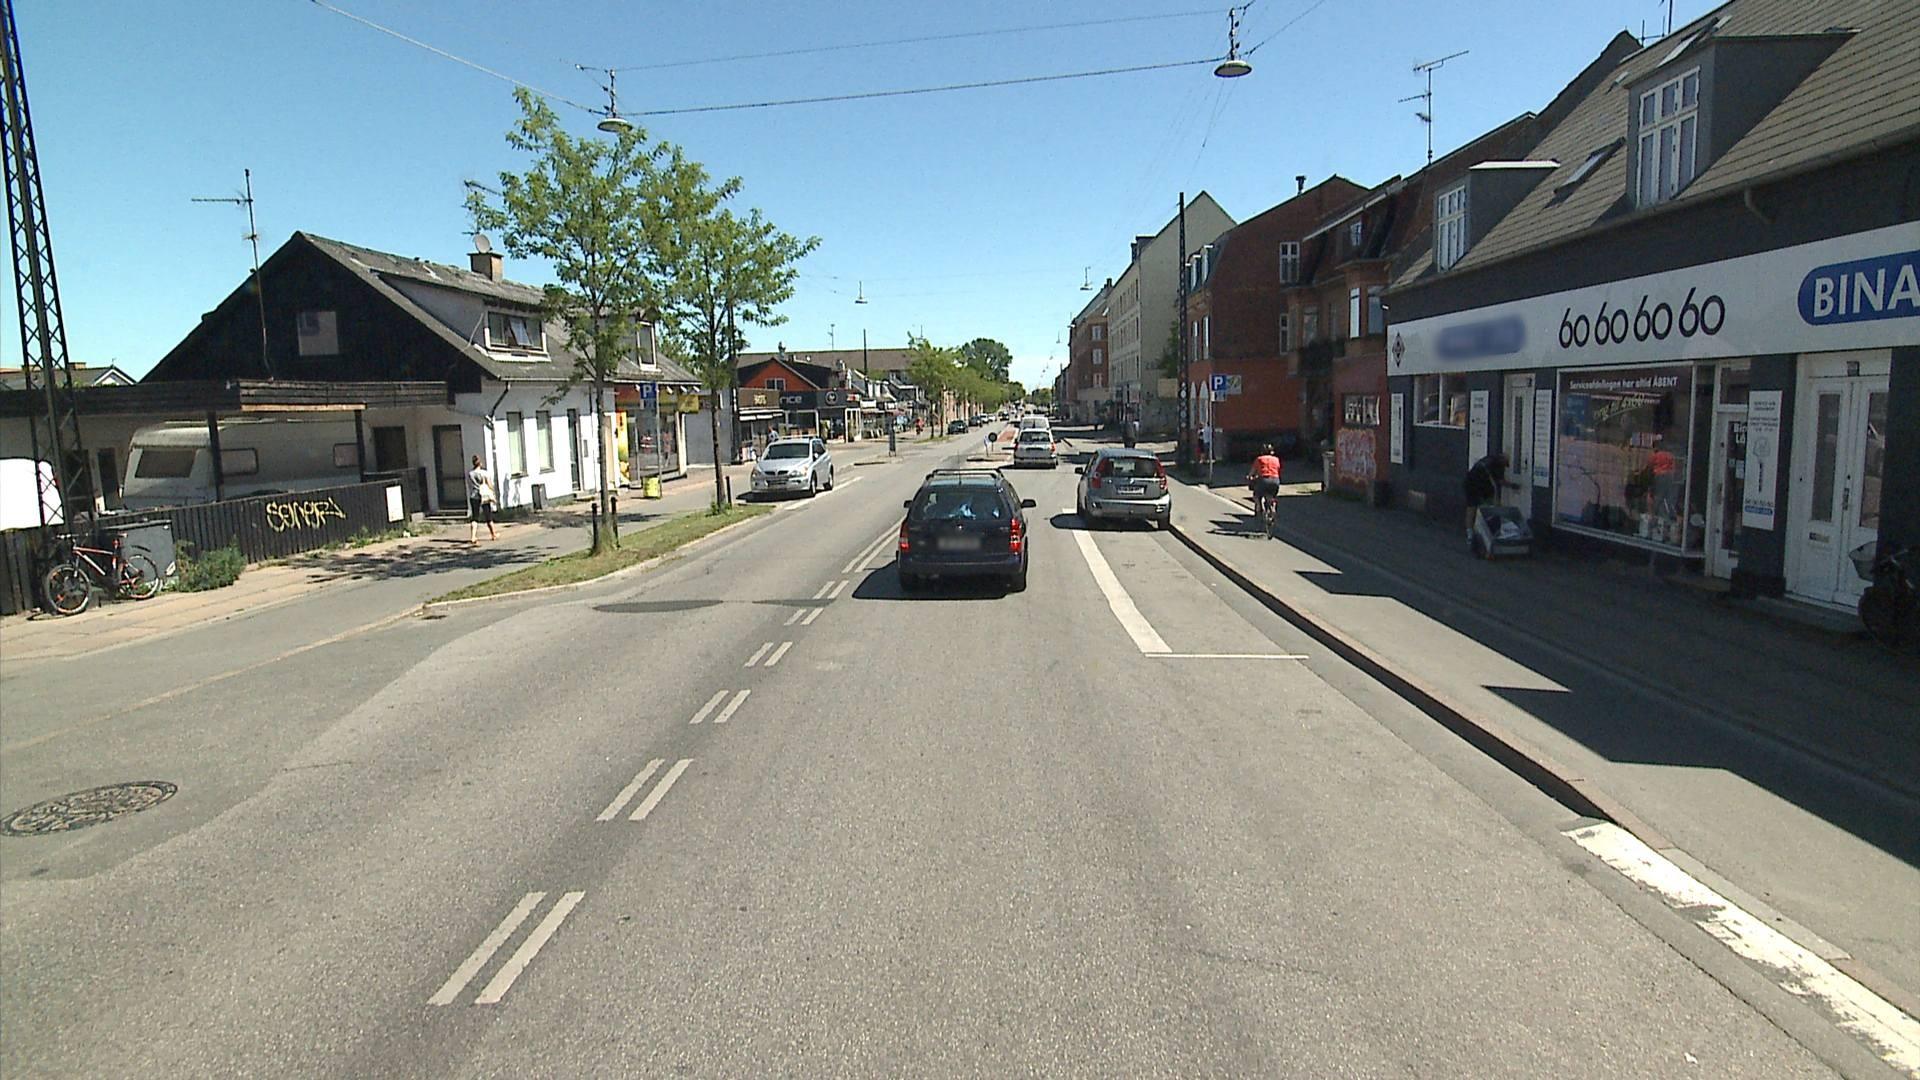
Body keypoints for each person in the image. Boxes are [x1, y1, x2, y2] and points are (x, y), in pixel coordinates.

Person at [1463, 452, 1518, 537]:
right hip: (1480, 486)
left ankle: (1469, 533)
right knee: (1490, 507)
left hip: (1469, 483)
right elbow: (1499, 482)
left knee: (1471, 508)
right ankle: (1492, 530)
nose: (1505, 467)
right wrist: (1513, 486)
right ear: (1503, 461)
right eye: (1505, 465)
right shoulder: (1498, 465)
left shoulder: (1487, 459)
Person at [1247, 442, 1282, 522]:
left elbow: (1252, 472)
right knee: (1271, 496)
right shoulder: (1276, 459)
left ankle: (1259, 507)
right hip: (1275, 480)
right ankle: (1272, 507)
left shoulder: (1259, 459)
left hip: (1263, 480)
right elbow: (1277, 470)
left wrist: (1249, 477)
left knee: (1257, 496)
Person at [467, 454, 498, 543]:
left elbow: (469, 485)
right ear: (480, 463)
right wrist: (492, 493)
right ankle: (493, 534)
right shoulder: (484, 473)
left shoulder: (470, 474)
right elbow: (489, 484)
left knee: (475, 516)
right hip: (484, 496)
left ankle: (473, 536)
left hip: (474, 496)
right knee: (488, 515)